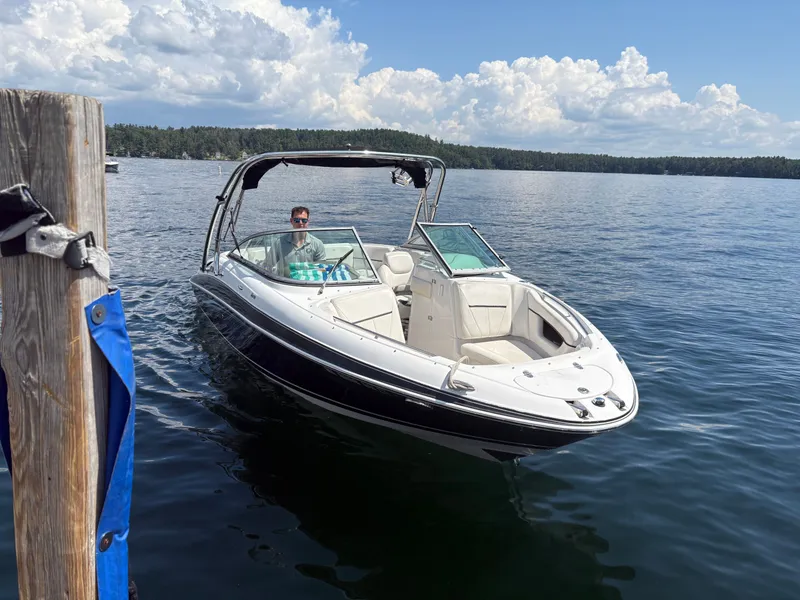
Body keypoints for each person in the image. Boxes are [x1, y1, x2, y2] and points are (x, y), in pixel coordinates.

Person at [273, 206, 325, 276]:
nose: (301, 223)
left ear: (308, 222)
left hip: (309, 282)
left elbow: (322, 269)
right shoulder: (279, 243)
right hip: (284, 283)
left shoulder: (317, 244)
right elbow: (267, 265)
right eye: (297, 220)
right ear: (291, 221)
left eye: (304, 220)